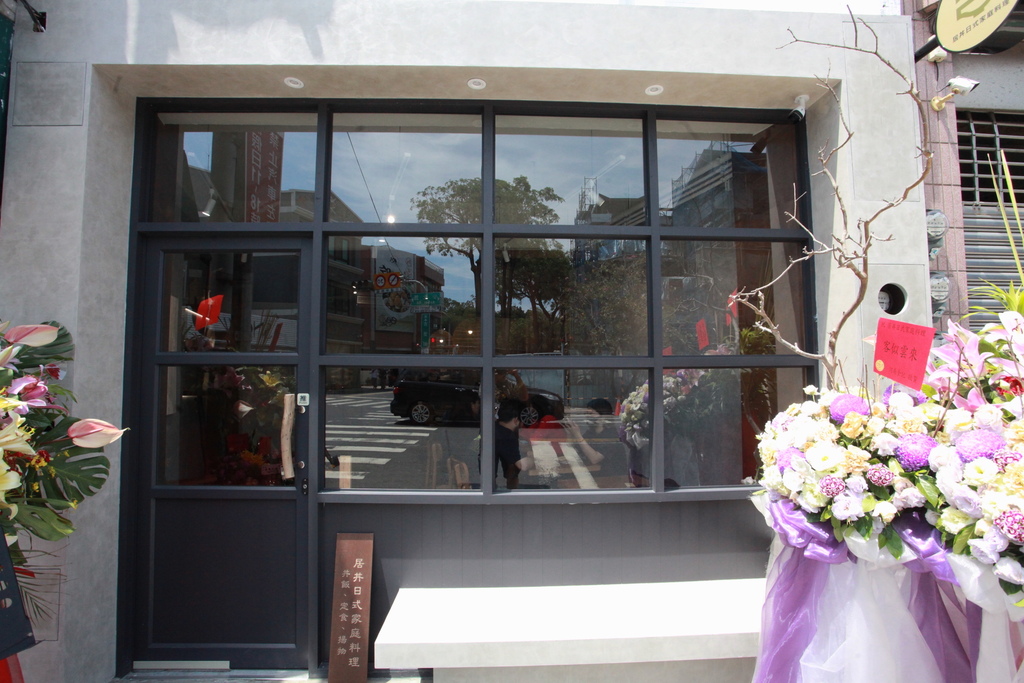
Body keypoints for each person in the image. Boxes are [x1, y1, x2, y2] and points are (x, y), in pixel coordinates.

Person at [494, 398, 531, 489]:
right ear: (515, 420)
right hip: (485, 488)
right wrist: (535, 456)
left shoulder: (492, 427)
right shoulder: (507, 436)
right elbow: (522, 465)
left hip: (477, 480)